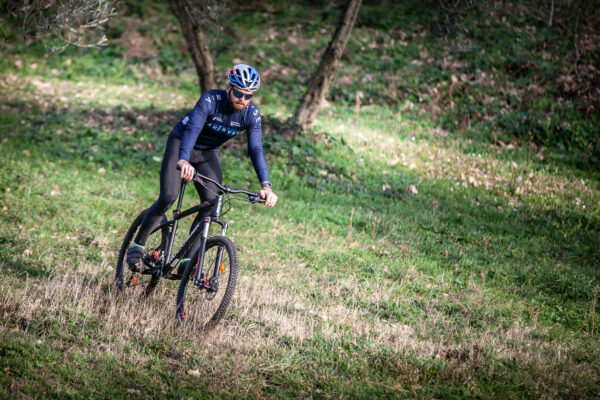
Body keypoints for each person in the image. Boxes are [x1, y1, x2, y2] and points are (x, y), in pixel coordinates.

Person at [127, 64, 278, 277]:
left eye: (248, 95)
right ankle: (137, 246)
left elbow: (255, 149)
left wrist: (266, 185)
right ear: (228, 88)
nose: (242, 99)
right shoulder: (210, 100)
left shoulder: (251, 115)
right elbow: (193, 129)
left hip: (208, 153)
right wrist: (183, 160)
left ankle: (187, 261)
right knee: (169, 196)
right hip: (182, 144)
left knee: (211, 203)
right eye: (238, 93)